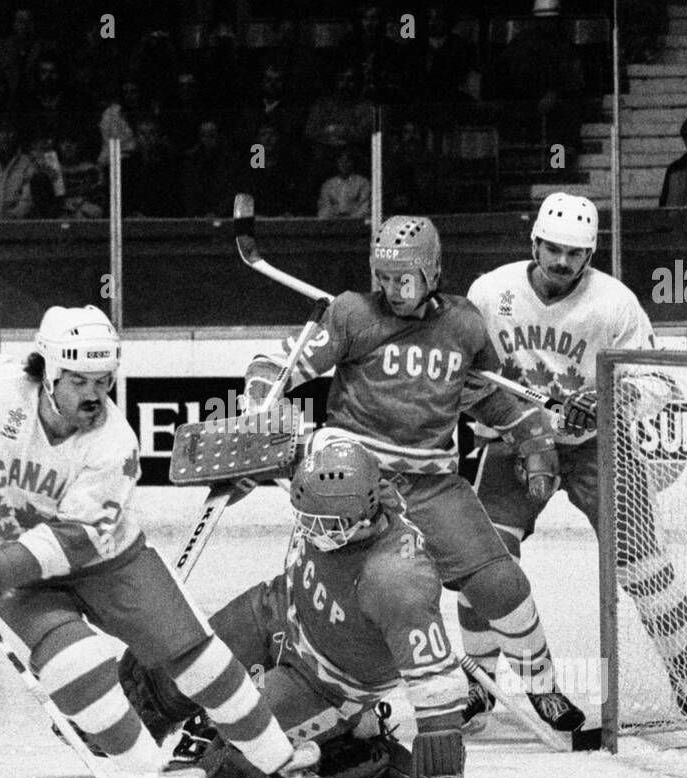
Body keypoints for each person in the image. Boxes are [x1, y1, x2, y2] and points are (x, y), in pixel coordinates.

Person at [0, 304, 350, 778]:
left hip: (106, 560)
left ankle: (288, 772)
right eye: (79, 380)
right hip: (15, 570)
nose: (93, 395)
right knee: (73, 664)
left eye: (103, 381)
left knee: (200, 660)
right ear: (49, 373)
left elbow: (74, 540)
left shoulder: (114, 443)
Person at [242, 215, 587, 733]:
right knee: (344, 605)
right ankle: (332, 702)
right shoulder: (351, 314)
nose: (391, 288)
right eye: (382, 275)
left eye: (404, 278)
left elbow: (486, 391)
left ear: (433, 273)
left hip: (432, 486)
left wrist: (532, 437)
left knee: (500, 583)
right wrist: (263, 388)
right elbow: (282, 362)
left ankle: (542, 684)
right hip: (357, 489)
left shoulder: (464, 324)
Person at [118, 435, 477, 778]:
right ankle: (107, 723)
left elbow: (435, 682)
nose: (306, 530)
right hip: (278, 608)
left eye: (319, 523)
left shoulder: (397, 581)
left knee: (227, 765)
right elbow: (288, 451)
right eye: (303, 517)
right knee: (170, 658)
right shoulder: (334, 479)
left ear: (361, 516)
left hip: (326, 685)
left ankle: (364, 753)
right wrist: (249, 469)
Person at [464, 192, 687, 720]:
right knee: (484, 564)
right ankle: (479, 683)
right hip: (513, 443)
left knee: (643, 562)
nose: (560, 262)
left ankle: (684, 671)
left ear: (591, 255)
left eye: (573, 254)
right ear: (534, 243)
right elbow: (466, 367)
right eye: (552, 249)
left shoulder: (615, 303)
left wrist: (609, 397)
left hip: (598, 446)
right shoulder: (490, 292)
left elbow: (658, 380)